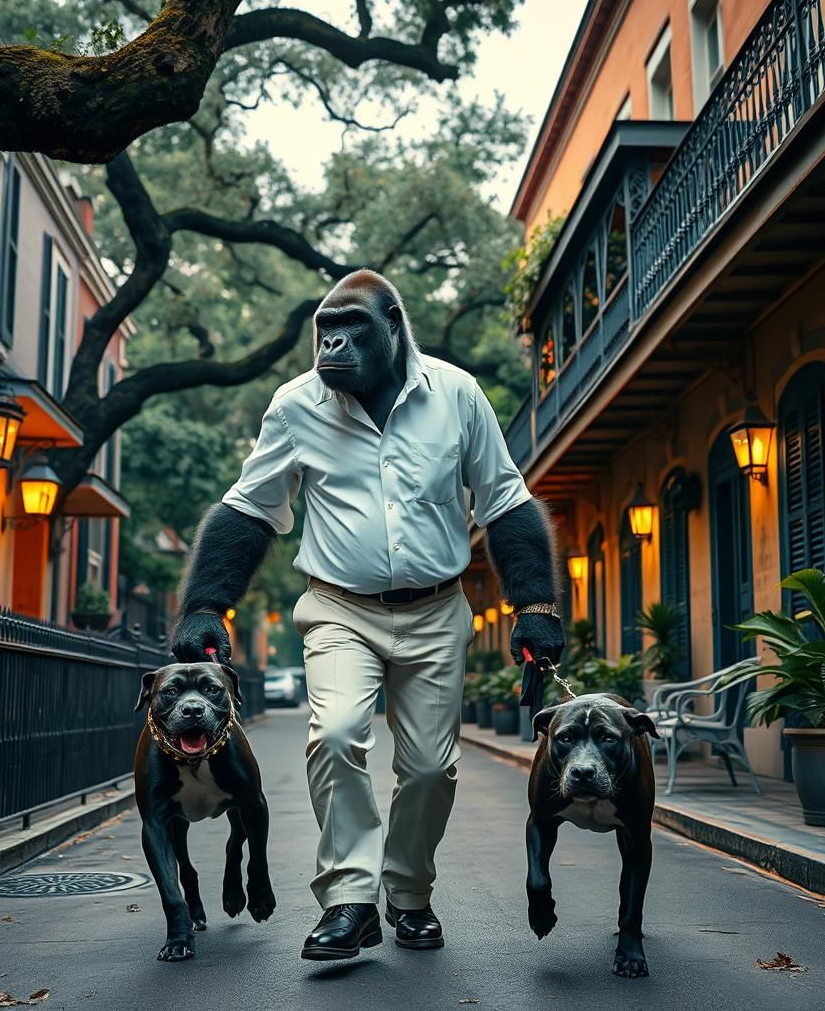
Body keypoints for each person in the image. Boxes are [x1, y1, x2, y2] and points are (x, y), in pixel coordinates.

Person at [171, 270, 565, 960]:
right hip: (337, 608)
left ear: (393, 323)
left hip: (437, 608)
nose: (334, 346)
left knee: (429, 769)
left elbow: (504, 502)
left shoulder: (458, 396)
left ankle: (409, 895)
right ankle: (350, 899)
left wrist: (534, 606)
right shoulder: (296, 405)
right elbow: (249, 508)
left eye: (352, 331)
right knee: (338, 733)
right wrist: (206, 605)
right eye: (326, 332)